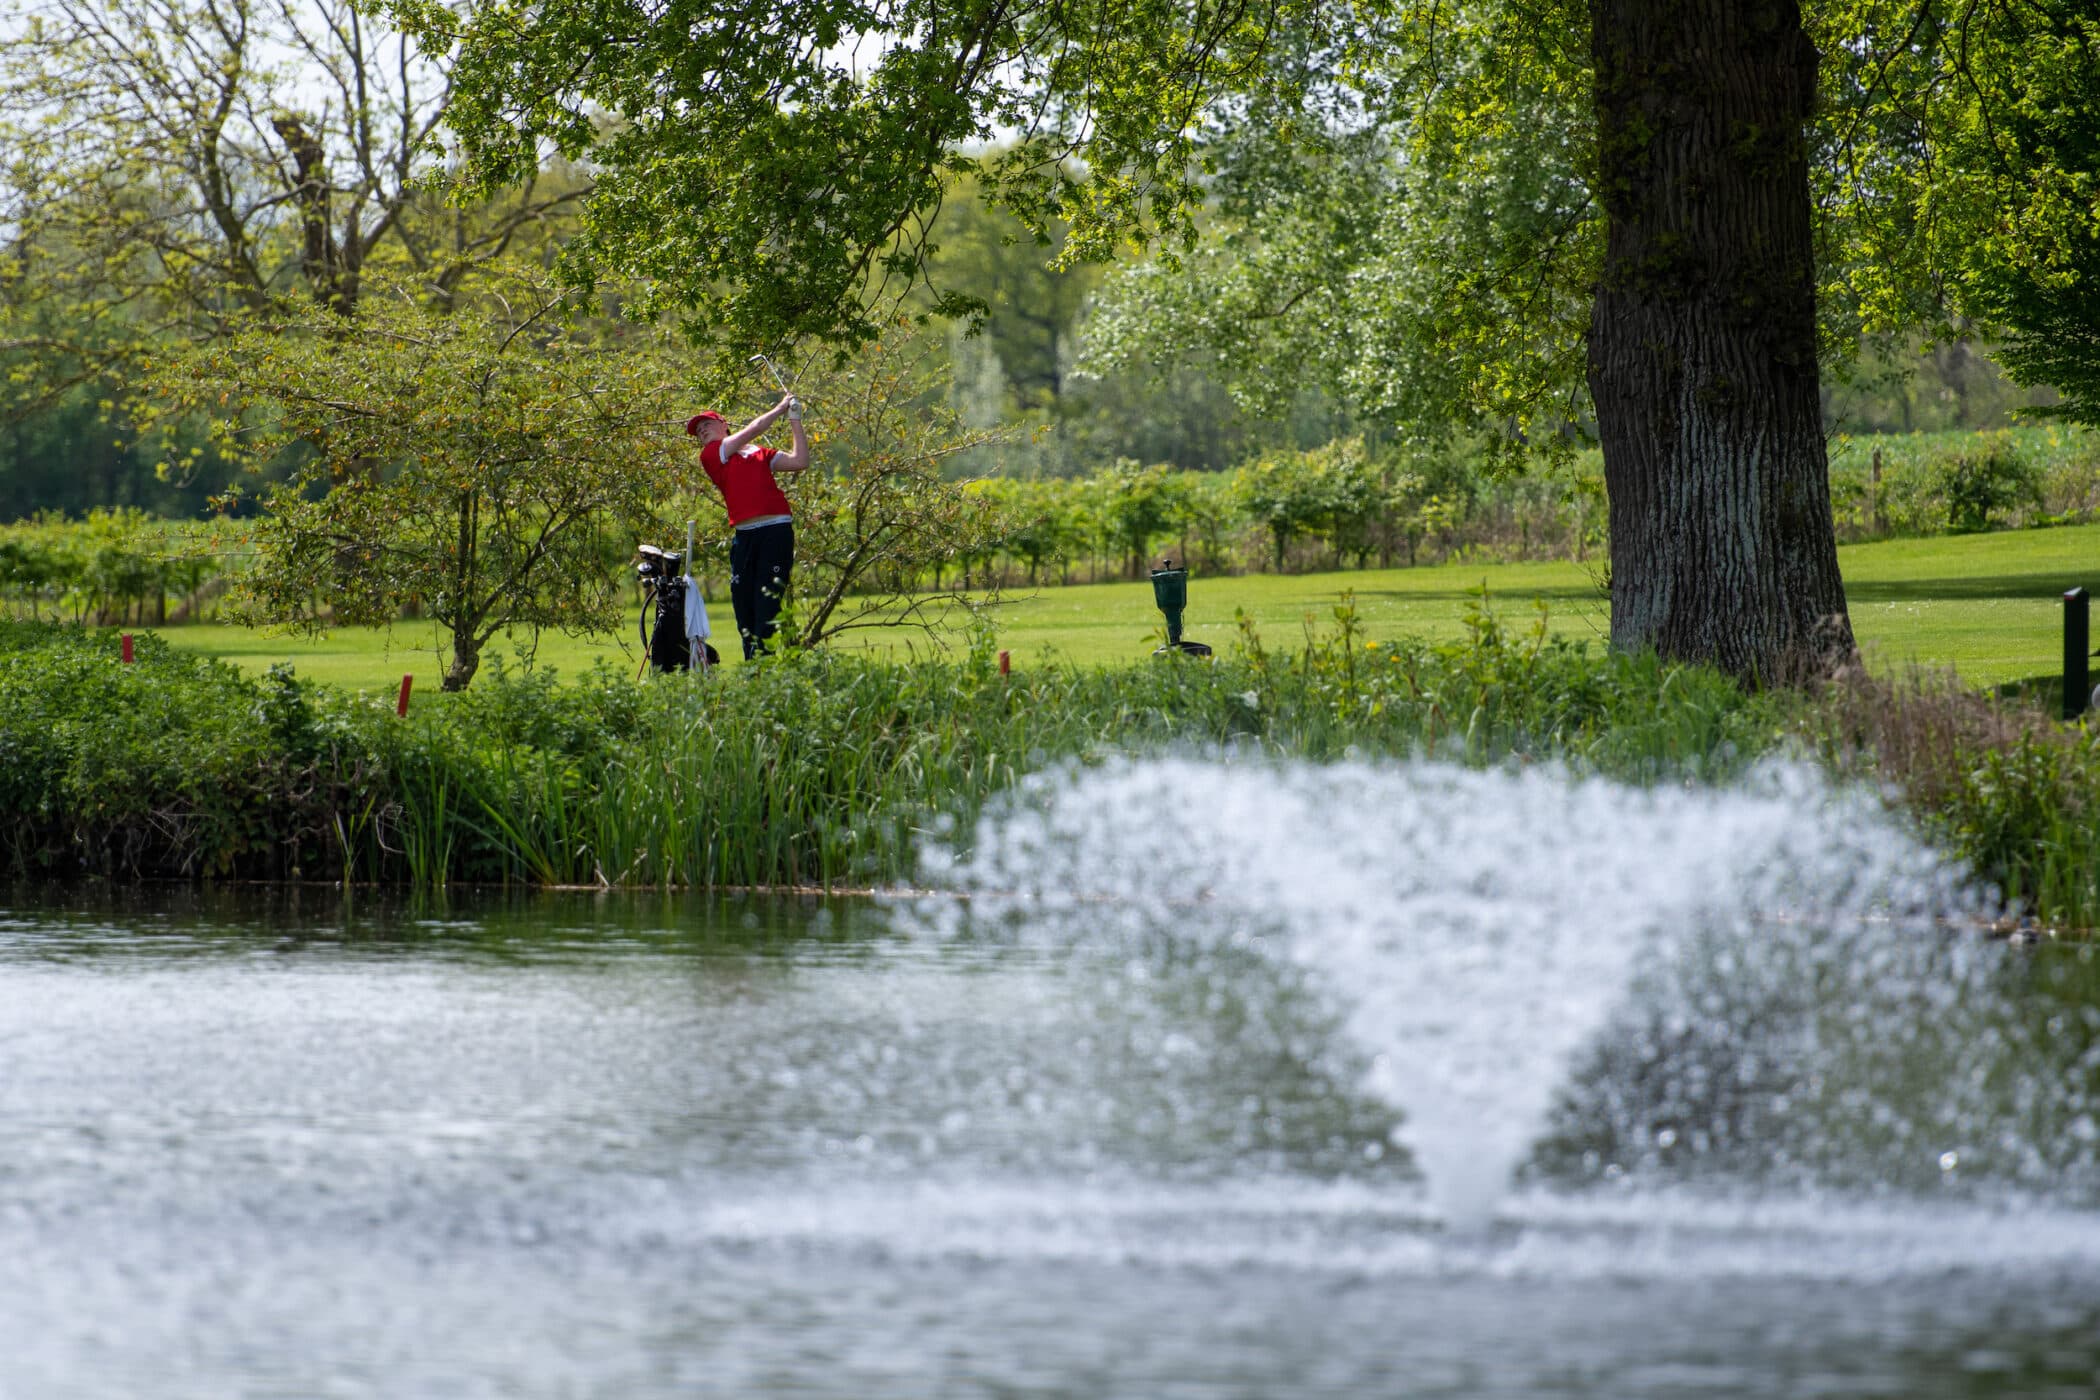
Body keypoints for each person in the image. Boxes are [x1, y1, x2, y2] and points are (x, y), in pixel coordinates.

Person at [687, 394, 809, 659]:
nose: (702, 431)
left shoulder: (757, 452)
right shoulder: (711, 454)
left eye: (706, 424)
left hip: (775, 531)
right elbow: (755, 428)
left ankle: (765, 668)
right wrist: (780, 407)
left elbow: (799, 460)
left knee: (767, 606)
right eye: (698, 430)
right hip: (745, 536)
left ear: (723, 424)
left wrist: (794, 419)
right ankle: (753, 668)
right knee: (743, 607)